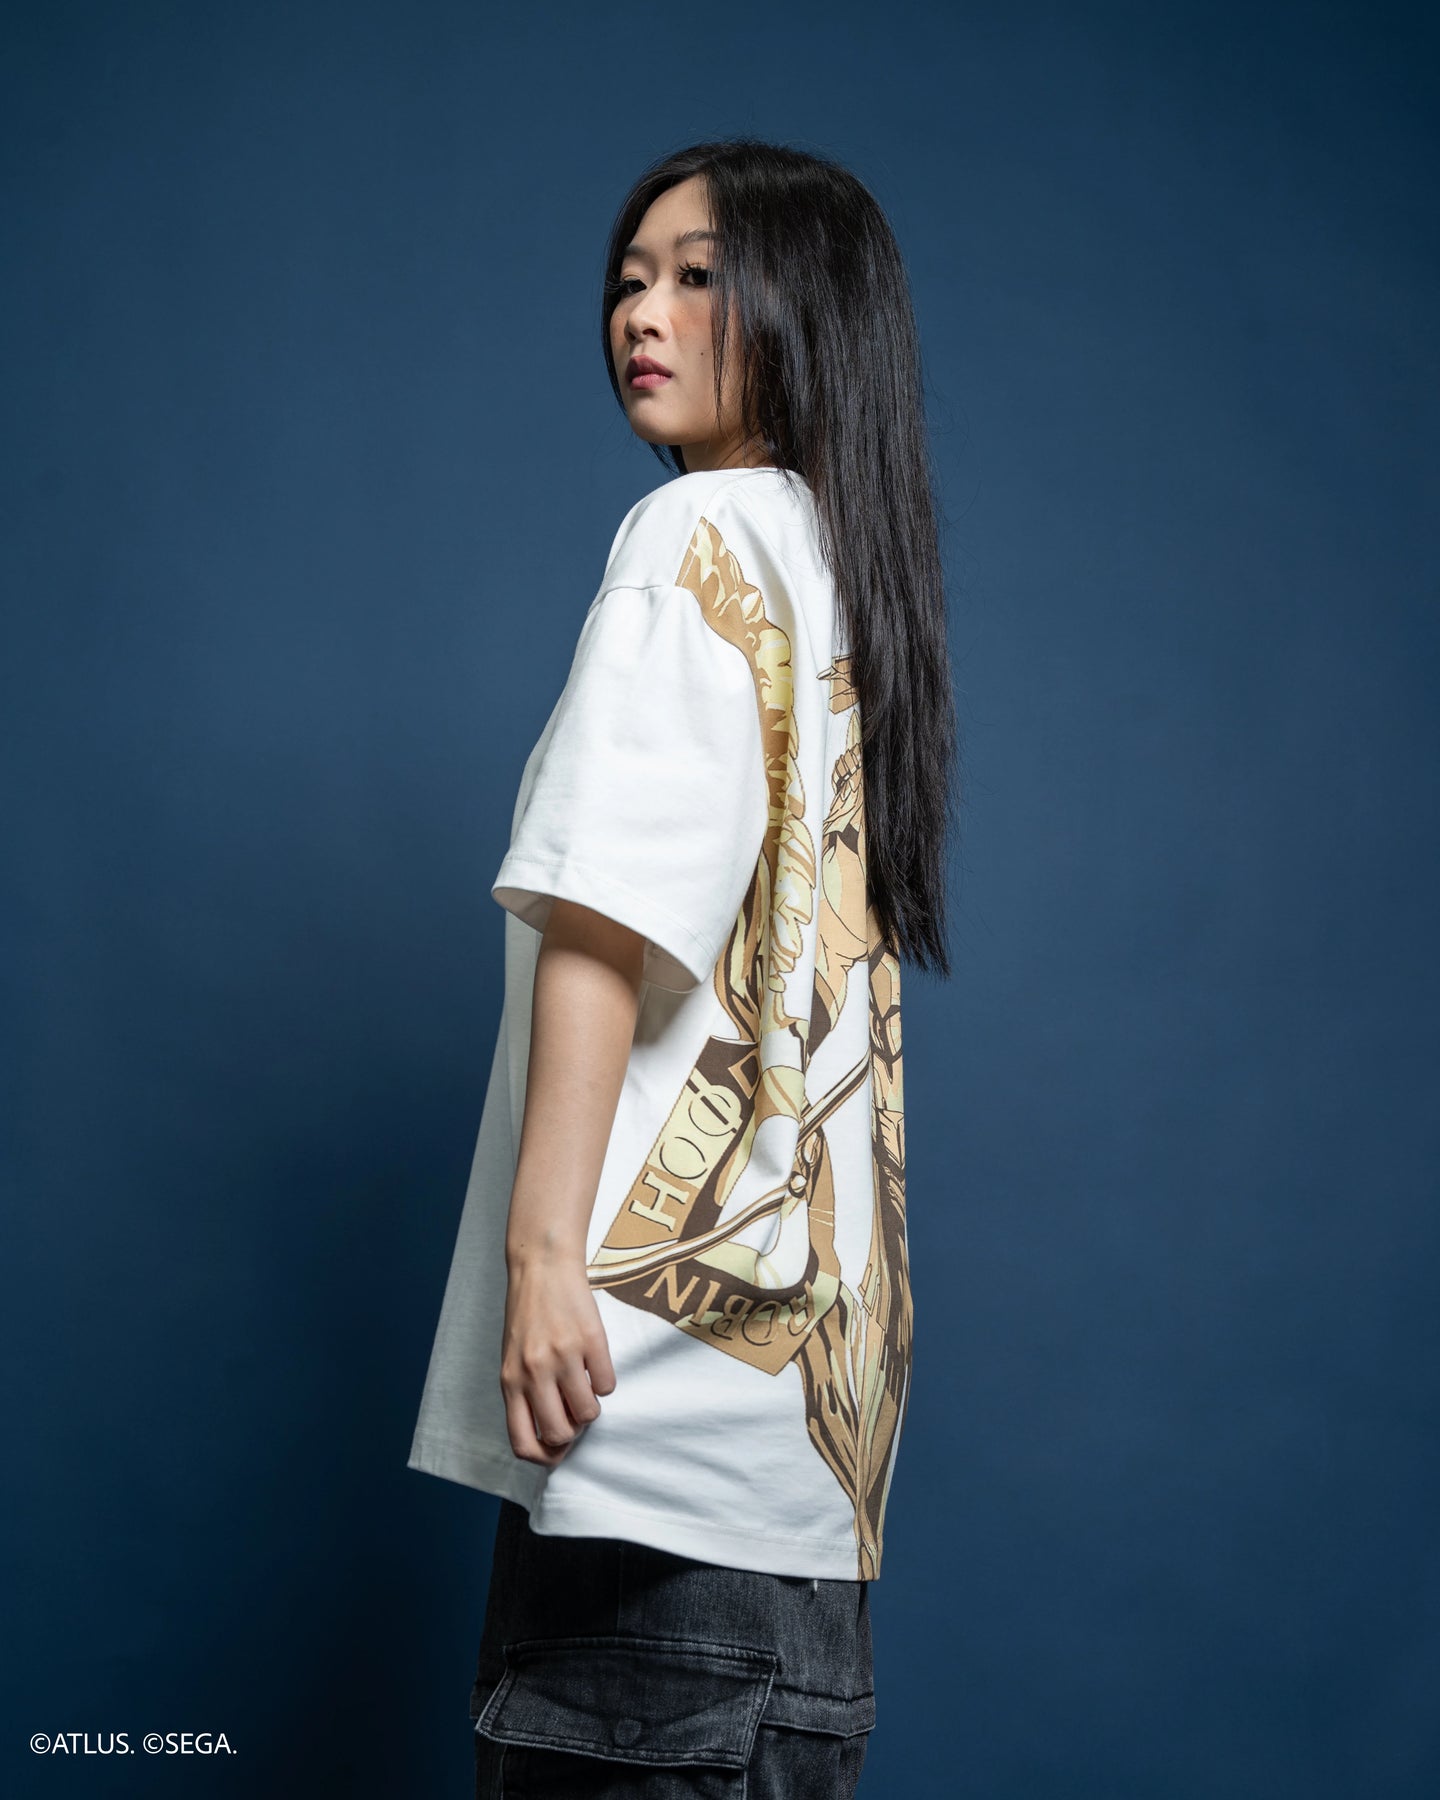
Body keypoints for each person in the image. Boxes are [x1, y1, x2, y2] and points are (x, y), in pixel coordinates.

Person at [408, 136, 958, 1799]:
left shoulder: (691, 537)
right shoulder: (843, 578)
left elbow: (607, 916)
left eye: (698, 276)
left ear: (809, 309)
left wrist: (544, 1253)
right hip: (803, 1526)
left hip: (638, 1465)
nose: (641, 314)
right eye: (630, 279)